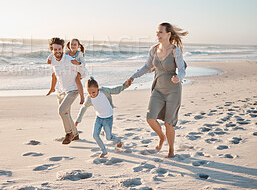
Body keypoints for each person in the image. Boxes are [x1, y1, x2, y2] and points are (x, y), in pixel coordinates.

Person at [127, 22, 187, 158]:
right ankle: (161, 137)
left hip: (173, 91)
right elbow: (146, 67)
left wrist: (179, 77)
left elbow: (182, 69)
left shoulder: (175, 50)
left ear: (168, 34)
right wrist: (132, 77)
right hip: (158, 89)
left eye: (160, 32)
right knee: (150, 118)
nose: (157, 34)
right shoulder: (153, 50)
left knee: (169, 123)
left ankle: (171, 150)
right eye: (157, 32)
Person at [75, 77, 130, 158]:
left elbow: (115, 90)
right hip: (99, 118)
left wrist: (124, 86)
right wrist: (78, 119)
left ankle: (118, 141)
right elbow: (83, 108)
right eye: (89, 92)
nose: (92, 94)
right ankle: (104, 151)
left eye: (93, 92)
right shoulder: (89, 99)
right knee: (95, 135)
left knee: (108, 137)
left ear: (97, 87)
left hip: (108, 118)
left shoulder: (104, 91)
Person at [47, 37, 84, 144]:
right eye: (55, 49)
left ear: (63, 49)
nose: (58, 51)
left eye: (59, 49)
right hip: (61, 90)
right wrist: (52, 88)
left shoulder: (69, 60)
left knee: (61, 111)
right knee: (66, 113)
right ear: (52, 51)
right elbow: (54, 74)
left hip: (73, 90)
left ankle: (69, 133)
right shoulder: (52, 60)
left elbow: (83, 68)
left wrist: (81, 76)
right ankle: (76, 134)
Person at [46, 38, 87, 104]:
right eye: (71, 44)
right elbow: (57, 54)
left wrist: (78, 63)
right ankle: (52, 88)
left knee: (77, 79)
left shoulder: (79, 54)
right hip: (70, 69)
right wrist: (50, 56)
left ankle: (82, 96)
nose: (73, 46)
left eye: (75, 45)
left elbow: (83, 64)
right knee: (54, 74)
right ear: (69, 45)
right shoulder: (67, 52)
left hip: (78, 67)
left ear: (78, 46)